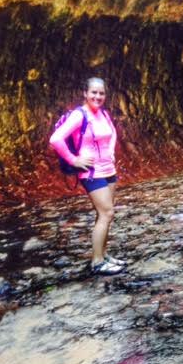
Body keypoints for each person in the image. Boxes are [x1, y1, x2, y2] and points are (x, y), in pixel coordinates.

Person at [49, 77, 127, 275]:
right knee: (107, 213)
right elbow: (56, 138)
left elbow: (113, 133)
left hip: (108, 169)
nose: (98, 96)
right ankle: (97, 262)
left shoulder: (104, 114)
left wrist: (110, 151)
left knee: (105, 215)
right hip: (91, 172)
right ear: (85, 93)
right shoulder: (79, 115)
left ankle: (104, 254)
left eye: (101, 93)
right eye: (94, 92)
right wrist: (73, 159)